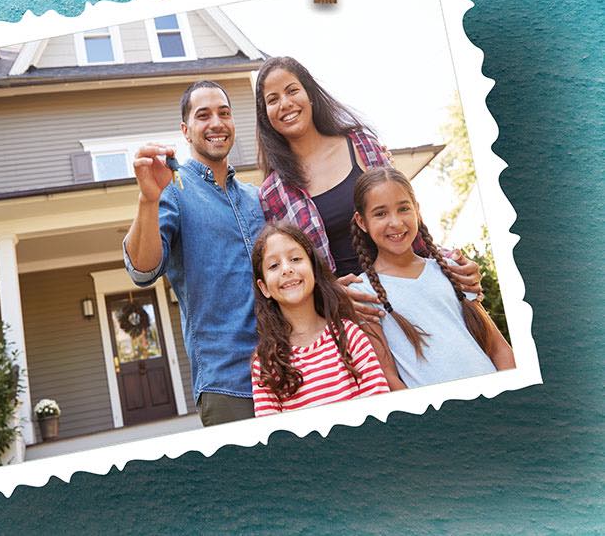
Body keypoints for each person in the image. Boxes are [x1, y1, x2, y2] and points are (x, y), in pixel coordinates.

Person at [254, 56, 483, 294]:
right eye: (273, 99)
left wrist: (450, 263)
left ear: (309, 94)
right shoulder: (272, 192)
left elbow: (407, 219)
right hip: (348, 312)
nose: (285, 103)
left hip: (406, 288)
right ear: (265, 114)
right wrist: (330, 294)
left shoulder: (361, 145)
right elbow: (288, 268)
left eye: (292, 91)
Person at [124, 80, 264, 425]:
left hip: (287, 368)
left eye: (224, 113)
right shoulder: (173, 191)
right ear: (186, 131)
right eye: (204, 115)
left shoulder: (255, 197)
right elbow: (142, 270)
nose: (216, 123)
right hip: (228, 383)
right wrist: (148, 199)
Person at [349, 167, 515, 388]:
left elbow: (498, 347)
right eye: (380, 213)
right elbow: (388, 377)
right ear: (362, 222)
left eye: (403, 209)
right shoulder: (363, 293)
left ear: (417, 210)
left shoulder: (451, 270)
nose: (396, 222)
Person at [250, 222, 391, 416]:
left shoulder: (349, 336)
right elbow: (272, 437)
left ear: (314, 271)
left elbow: (379, 407)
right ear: (264, 287)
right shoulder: (266, 361)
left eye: (295, 259)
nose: (286, 269)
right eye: (274, 265)